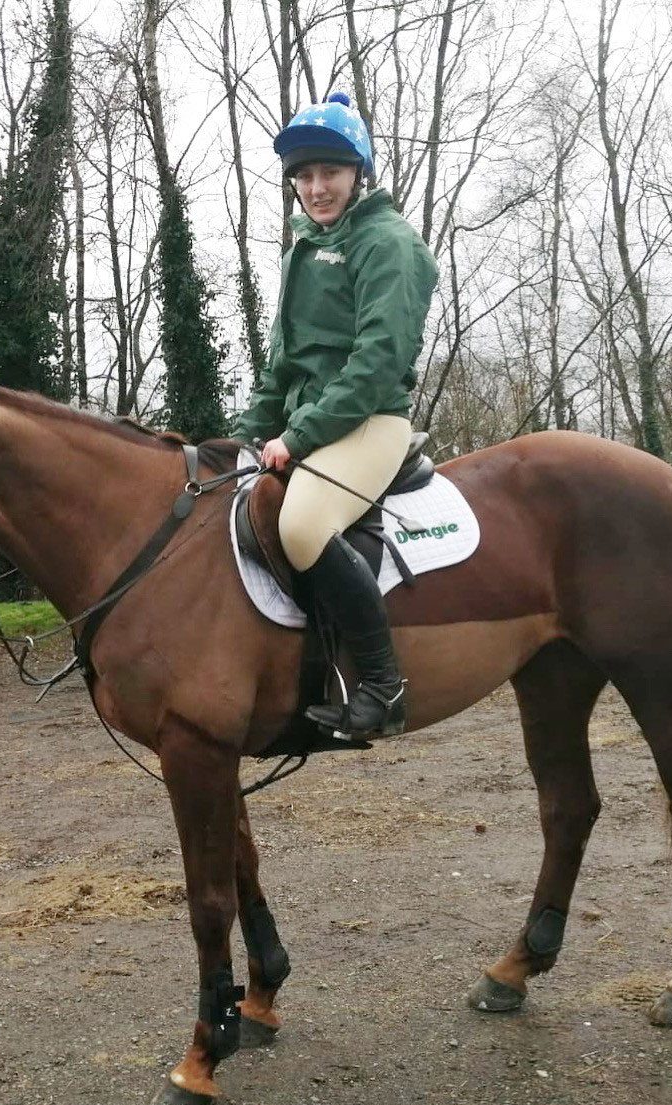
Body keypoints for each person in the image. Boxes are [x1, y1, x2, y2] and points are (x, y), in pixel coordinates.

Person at [234, 92, 438, 739]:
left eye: (329, 173)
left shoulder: (389, 244)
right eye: (304, 176)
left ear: (358, 174)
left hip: (369, 420)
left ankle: (383, 686)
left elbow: (376, 363)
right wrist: (243, 435)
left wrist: (296, 435)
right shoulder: (303, 246)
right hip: (308, 424)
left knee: (299, 525)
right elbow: (282, 363)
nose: (316, 188)